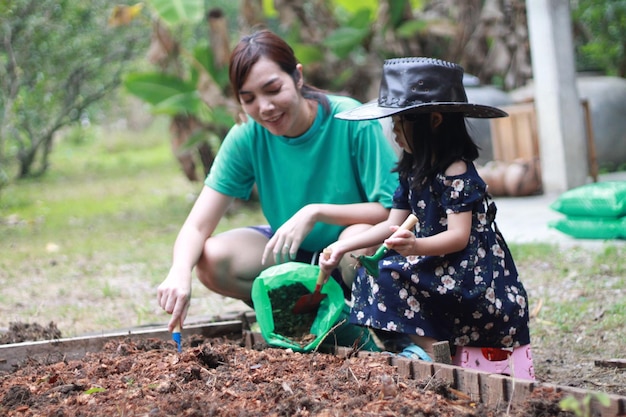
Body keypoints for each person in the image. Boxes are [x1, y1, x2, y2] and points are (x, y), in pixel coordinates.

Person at [157, 29, 399, 332]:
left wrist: (316, 212)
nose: (264, 107)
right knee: (210, 259)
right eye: (249, 99)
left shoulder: (350, 119)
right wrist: (179, 273)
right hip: (293, 249)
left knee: (358, 248)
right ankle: (297, 313)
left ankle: (363, 320)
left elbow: (392, 211)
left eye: (273, 90)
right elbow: (197, 225)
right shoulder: (248, 133)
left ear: (297, 77)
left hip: (350, 247)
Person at [319, 57, 531, 361]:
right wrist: (341, 247)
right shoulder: (412, 172)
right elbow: (391, 225)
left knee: (392, 273)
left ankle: (436, 355)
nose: (393, 132)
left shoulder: (456, 171)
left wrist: (415, 246)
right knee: (373, 271)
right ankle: (422, 346)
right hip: (433, 263)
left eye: (399, 124)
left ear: (434, 120)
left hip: (468, 272)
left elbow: (458, 237)